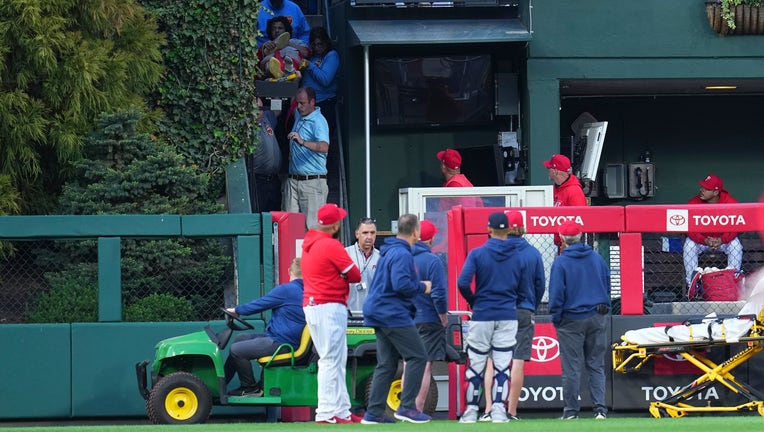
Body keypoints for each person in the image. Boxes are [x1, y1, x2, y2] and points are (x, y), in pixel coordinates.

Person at [362, 214, 433, 424]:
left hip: (377, 311)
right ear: (415, 232)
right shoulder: (402, 254)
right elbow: (401, 284)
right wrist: (423, 286)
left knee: (387, 363)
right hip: (391, 313)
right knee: (418, 356)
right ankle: (407, 408)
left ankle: (374, 412)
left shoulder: (390, 251)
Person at [457, 212, 522, 424]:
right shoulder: (517, 255)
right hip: (507, 314)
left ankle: (470, 412)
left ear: (489, 228)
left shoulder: (478, 253)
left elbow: (463, 283)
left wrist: (475, 302)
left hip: (483, 313)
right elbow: (526, 286)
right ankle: (498, 411)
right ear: (509, 230)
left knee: (476, 364)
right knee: (503, 366)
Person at [300, 203, 362, 424]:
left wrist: (339, 276)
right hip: (327, 306)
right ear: (335, 225)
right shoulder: (329, 245)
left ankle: (342, 411)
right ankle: (326, 413)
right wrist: (341, 277)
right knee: (329, 360)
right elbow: (355, 274)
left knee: (337, 359)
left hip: (317, 305)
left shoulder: (310, 242)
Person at [548, 220, 610, 420]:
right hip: (596, 315)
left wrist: (556, 318)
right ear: (581, 235)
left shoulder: (560, 261)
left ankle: (571, 412)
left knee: (571, 368)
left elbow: (556, 294)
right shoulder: (596, 258)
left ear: (563, 239)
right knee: (596, 365)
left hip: (570, 319)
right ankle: (600, 410)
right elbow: (607, 284)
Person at [224, 257, 306, 396]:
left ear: (289, 271)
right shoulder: (306, 290)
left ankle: (250, 388)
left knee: (236, 350)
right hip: (286, 339)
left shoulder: (286, 290)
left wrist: (237, 310)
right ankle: (223, 383)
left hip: (283, 343)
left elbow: (260, 304)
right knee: (241, 338)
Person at [505, 211, 546, 421]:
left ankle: (491, 409)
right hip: (523, 309)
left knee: (495, 361)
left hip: (499, 310)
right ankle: (511, 411)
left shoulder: (496, 251)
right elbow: (540, 285)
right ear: (523, 228)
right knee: (518, 360)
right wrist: (532, 306)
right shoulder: (532, 253)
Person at [411, 219, 448, 413]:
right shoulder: (433, 260)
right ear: (431, 239)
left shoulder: (403, 257)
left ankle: (405, 407)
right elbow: (439, 293)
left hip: (406, 320)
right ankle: (416, 409)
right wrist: (443, 315)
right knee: (425, 365)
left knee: (409, 363)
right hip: (428, 319)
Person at [301, 26, 341, 204]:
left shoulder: (331, 56)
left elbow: (325, 79)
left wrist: (310, 67)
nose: (317, 47)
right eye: (314, 44)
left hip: (324, 104)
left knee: (323, 143)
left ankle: (324, 180)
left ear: (326, 43)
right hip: (307, 105)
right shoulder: (313, 57)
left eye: (320, 44)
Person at [683, 174, 743, 289]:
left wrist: (721, 240)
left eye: (706, 189)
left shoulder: (730, 203)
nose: (702, 190)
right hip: (702, 242)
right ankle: (692, 284)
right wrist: (704, 240)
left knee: (736, 245)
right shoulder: (693, 203)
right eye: (702, 187)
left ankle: (732, 282)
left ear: (716, 192)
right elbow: (689, 229)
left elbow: (735, 227)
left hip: (723, 242)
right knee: (689, 245)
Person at [285, 86, 330, 229]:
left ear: (312, 102)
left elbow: (324, 147)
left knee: (314, 229)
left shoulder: (319, 122)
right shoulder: (300, 115)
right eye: (297, 103)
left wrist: (302, 142)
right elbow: (294, 100)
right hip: (293, 180)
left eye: (302, 103)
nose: (298, 107)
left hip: (312, 183)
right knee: (290, 229)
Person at [543, 153, 588, 248]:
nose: (548, 171)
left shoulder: (574, 191)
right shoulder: (555, 188)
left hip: (568, 245)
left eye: (549, 168)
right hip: (553, 243)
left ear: (555, 171)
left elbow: (579, 223)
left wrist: (564, 247)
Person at [247, 98, 282, 212]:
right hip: (257, 180)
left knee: (275, 217)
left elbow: (277, 110)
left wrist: (274, 89)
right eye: (256, 109)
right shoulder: (246, 127)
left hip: (273, 179)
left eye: (261, 108)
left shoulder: (266, 118)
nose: (259, 112)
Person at [345, 217, 380, 314]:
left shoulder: (381, 258)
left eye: (372, 233)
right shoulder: (345, 254)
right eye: (365, 233)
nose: (369, 237)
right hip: (349, 313)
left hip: (373, 314)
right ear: (357, 234)